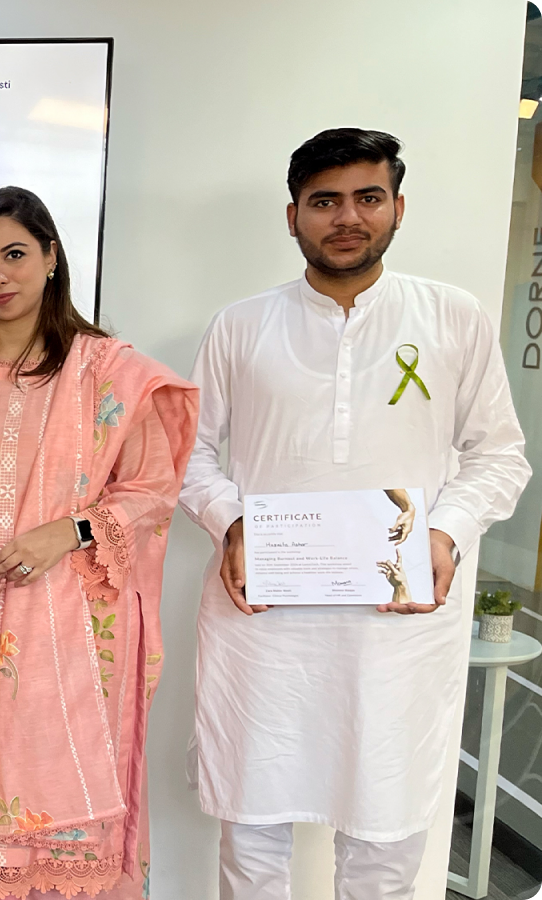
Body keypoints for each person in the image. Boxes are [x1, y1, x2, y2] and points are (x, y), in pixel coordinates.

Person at [180, 128, 531, 900]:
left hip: (397, 624)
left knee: (389, 838)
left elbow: (501, 454)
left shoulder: (452, 318)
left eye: (367, 198)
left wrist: (445, 533)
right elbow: (189, 455)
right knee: (253, 830)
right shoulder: (241, 326)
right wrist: (231, 523)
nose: (347, 217)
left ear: (398, 208)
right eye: (325, 201)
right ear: (292, 216)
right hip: (265, 625)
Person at [0, 187, 197, 899]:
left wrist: (71, 530)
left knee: (68, 859)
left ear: (52, 257)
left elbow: (151, 487)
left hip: (75, 633)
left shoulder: (108, 371)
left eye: (16, 255)